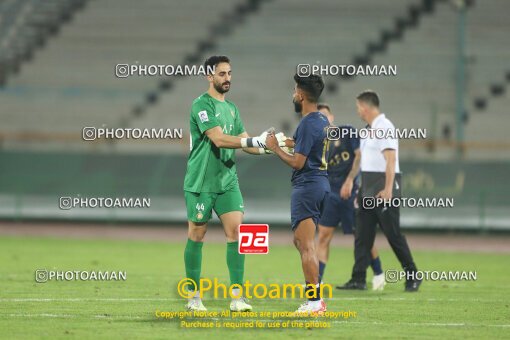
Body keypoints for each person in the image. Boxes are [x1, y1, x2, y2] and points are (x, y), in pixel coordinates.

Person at [183, 55, 272, 311]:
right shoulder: (201, 105)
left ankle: (237, 297)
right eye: (222, 74)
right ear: (209, 76)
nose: (228, 78)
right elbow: (220, 139)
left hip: (227, 181)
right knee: (197, 235)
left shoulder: (232, 109)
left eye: (230, 73)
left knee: (237, 234)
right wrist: (254, 141)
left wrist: (271, 147)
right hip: (201, 182)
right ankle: (194, 297)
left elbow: (246, 143)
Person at [338, 90, 422, 292]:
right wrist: (354, 184)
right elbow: (362, 160)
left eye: (358, 107)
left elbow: (391, 160)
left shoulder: (385, 127)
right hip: (368, 185)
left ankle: (413, 274)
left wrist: (388, 189)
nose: (358, 111)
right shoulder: (368, 130)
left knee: (393, 234)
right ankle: (358, 278)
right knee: (362, 235)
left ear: (366, 107)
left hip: (384, 185)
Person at [266, 73, 329, 314]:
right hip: (321, 185)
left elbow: (298, 163)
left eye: (294, 91)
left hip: (307, 186)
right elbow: (306, 144)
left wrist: (274, 149)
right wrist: (288, 141)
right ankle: (315, 294)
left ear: (301, 96)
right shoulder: (321, 119)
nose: (293, 94)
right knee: (300, 242)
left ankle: (314, 302)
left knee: (306, 247)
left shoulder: (307, 123)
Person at [315, 103, 385, 291]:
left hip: (350, 191)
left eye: (325, 117)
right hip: (330, 194)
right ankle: (317, 281)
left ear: (332, 117)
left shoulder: (347, 132)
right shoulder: (317, 143)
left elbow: (359, 156)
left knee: (361, 235)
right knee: (323, 236)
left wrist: (350, 180)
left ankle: (379, 273)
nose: (323, 121)